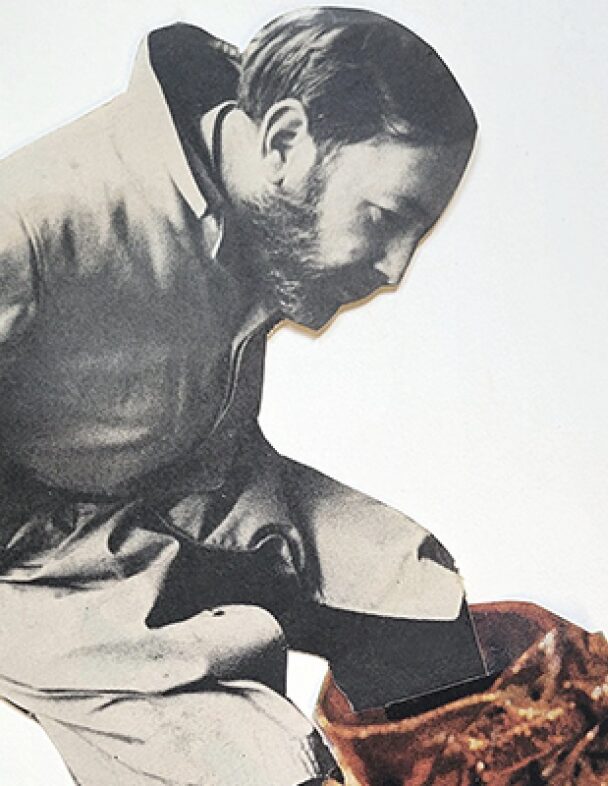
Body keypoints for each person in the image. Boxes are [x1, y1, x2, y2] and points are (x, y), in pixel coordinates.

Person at [0, 7, 484, 786]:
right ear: (285, 139)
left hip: (198, 480)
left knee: (419, 593)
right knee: (272, 769)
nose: (396, 269)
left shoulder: (244, 170)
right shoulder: (29, 220)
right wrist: (127, 588)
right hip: (32, 561)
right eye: (385, 219)